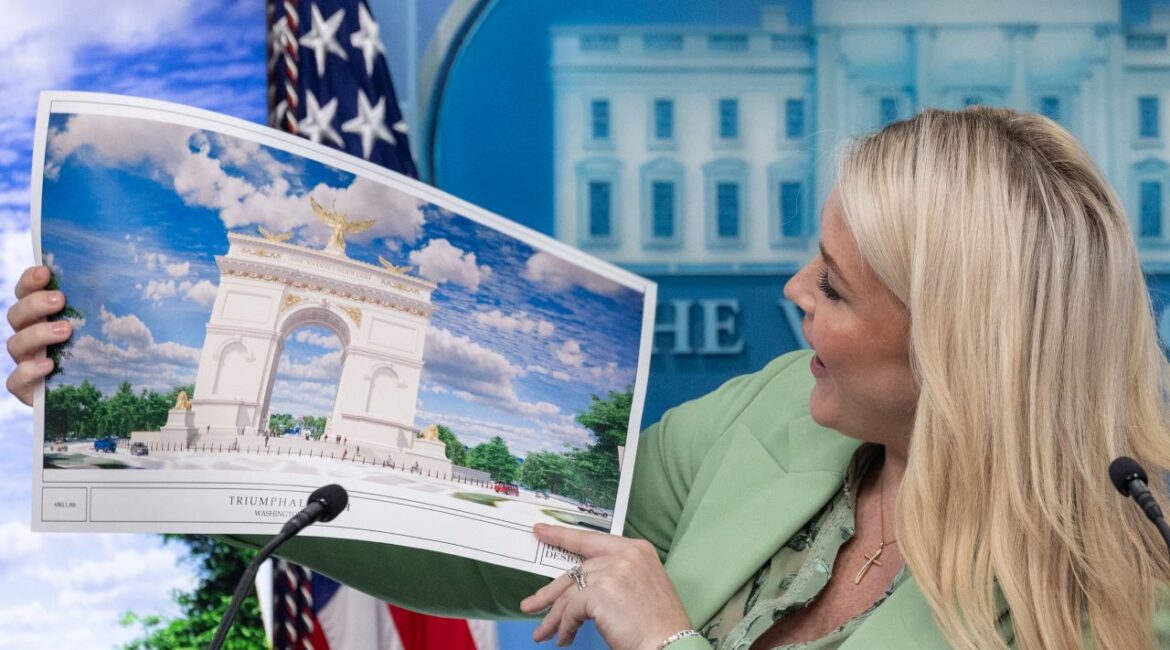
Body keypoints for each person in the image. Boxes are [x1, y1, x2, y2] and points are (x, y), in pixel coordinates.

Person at [8, 107, 1170, 649]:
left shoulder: (1123, 597)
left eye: (839, 285)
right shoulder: (770, 412)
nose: (792, 291)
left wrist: (668, 645)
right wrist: (166, 427)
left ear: (962, 348)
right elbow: (497, 541)